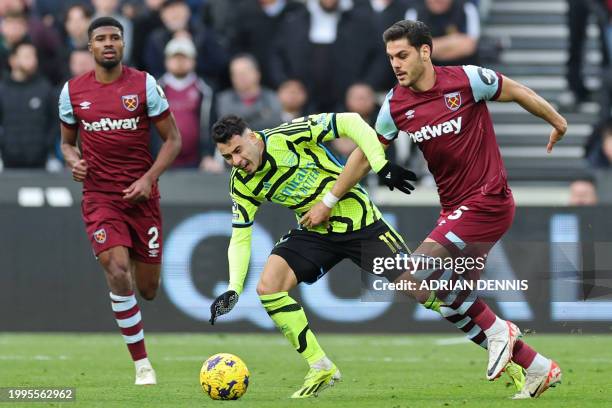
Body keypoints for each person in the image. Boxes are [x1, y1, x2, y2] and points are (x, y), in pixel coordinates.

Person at [301, 20, 566, 399]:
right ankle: (539, 368)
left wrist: (556, 121)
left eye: (403, 54)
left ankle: (499, 333)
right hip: (455, 209)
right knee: (445, 300)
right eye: (391, 56)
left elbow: (518, 91)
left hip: (488, 200)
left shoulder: (467, 79)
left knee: (414, 275)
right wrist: (329, 200)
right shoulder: (396, 104)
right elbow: (365, 154)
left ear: (426, 51)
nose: (395, 63)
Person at [207, 112, 418, 398]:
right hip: (315, 230)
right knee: (268, 287)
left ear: (253, 138)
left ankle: (492, 330)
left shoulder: (288, 136)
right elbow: (241, 236)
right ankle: (320, 366)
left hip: (359, 221)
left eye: (238, 151)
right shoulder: (242, 184)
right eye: (227, 157)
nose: (236, 162)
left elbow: (351, 122)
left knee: (423, 290)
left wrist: (380, 165)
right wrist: (234, 287)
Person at [58, 17, 182, 385]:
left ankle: (127, 258)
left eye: (115, 37)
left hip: (142, 198)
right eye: (101, 38)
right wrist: (72, 161)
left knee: (148, 289)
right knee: (116, 270)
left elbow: (173, 140)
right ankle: (142, 365)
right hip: (100, 197)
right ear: (90, 47)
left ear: (123, 45)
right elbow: (66, 142)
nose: (108, 43)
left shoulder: (144, 85)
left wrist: (148, 178)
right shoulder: (72, 91)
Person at [158, 37, 219, 171]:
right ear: (166, 61)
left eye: (184, 58)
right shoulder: (154, 89)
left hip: (197, 164)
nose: (180, 62)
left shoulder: (205, 89)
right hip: (160, 163)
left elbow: (212, 125)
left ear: (193, 61)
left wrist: (208, 155)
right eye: (175, 58)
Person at [0, 41, 58, 169]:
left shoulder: (45, 88)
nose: (32, 61)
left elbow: (55, 122)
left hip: (40, 162)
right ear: (13, 60)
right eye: (27, 56)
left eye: (34, 56)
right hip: (8, 163)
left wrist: (47, 146)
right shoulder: (2, 89)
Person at [216, 53, 282, 131]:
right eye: (235, 74)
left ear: (257, 74)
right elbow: (226, 128)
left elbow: (274, 123)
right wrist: (262, 114)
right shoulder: (223, 100)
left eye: (244, 73)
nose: (240, 77)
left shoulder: (272, 98)